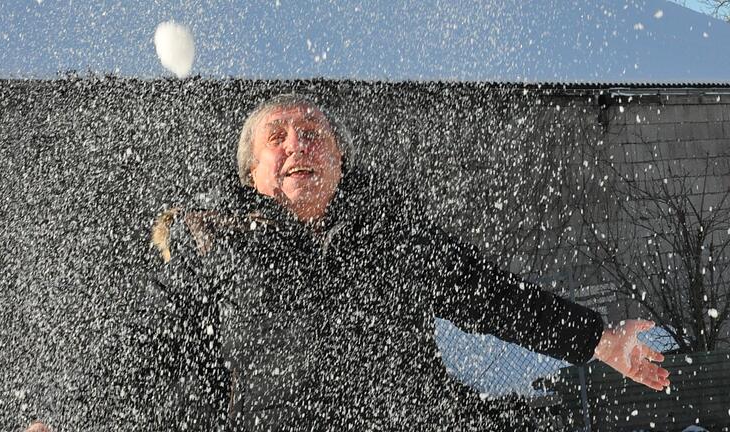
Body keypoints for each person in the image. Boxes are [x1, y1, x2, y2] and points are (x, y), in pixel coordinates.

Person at [136, 94, 669, 431]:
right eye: (278, 137)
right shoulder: (214, 247)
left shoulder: (395, 236)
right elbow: (158, 351)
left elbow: (490, 295)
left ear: (339, 161)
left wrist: (597, 338)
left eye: (314, 134)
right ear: (252, 170)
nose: (299, 144)